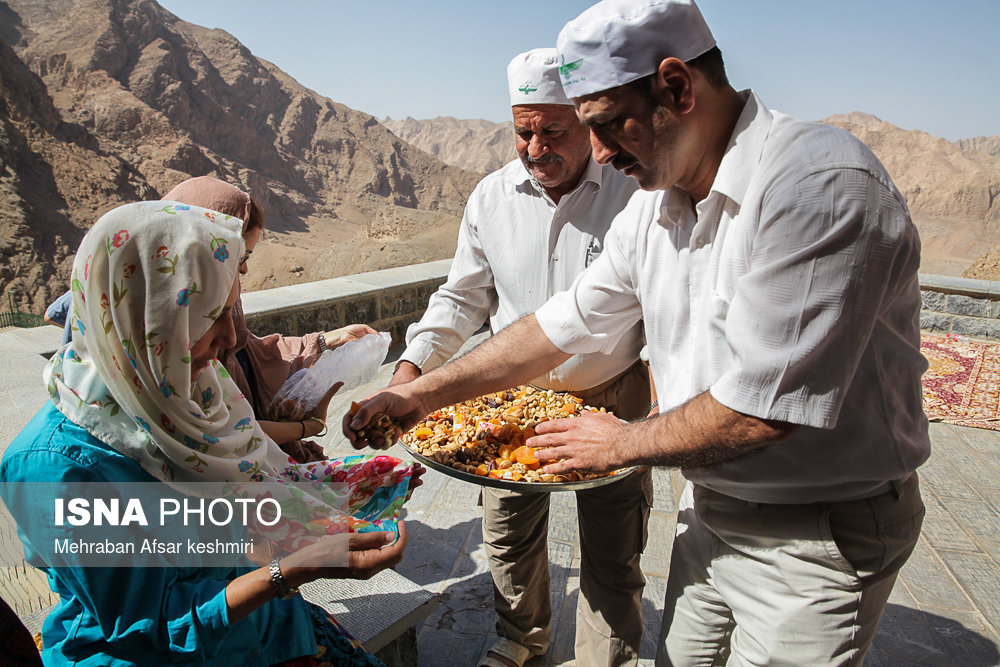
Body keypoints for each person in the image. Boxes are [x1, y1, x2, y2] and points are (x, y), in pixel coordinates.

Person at [347, 1, 930, 664]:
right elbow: (554, 325)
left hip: (814, 535)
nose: (596, 153)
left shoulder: (815, 187)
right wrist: (421, 396)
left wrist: (623, 439)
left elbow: (761, 408)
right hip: (712, 510)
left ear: (677, 88)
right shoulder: (655, 207)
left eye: (602, 125)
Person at [1, 201, 418, 665]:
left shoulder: (192, 391)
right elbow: (146, 628)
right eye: (209, 316)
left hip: (262, 627)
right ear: (145, 317)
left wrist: (346, 483)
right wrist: (295, 568)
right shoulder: (56, 467)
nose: (233, 337)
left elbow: (241, 488)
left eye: (232, 309)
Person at [389, 48, 651, 667]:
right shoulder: (490, 198)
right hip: (510, 400)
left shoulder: (635, 193)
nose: (535, 150)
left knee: (613, 549)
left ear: (588, 122)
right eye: (523, 132)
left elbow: (664, 305)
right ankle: (520, 640)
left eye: (553, 131)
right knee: (508, 537)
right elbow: (461, 298)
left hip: (611, 395)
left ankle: (604, 659)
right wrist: (411, 371)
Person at [161, 176, 377, 464]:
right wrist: (311, 426)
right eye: (240, 257)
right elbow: (223, 432)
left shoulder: (221, 307)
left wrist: (325, 341)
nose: (247, 269)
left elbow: (250, 351)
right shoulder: (177, 344)